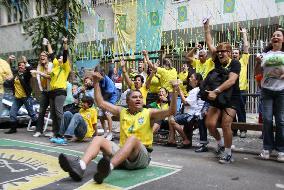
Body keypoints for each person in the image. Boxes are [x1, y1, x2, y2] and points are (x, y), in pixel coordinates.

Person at [58, 71, 178, 183]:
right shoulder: (122, 111)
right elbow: (100, 103)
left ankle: (108, 168)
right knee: (98, 139)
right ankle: (81, 166)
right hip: (123, 155)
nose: (138, 99)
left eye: (140, 97)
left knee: (132, 139)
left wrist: (175, 89)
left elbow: (172, 111)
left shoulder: (149, 112)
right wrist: (95, 83)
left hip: (141, 157)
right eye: (135, 97)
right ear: (127, 101)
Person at [204, 19, 241, 164]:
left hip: (232, 98)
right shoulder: (218, 60)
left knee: (226, 124)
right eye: (218, 52)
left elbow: (231, 81)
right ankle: (220, 144)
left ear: (230, 53)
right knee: (210, 123)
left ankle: (228, 153)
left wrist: (216, 91)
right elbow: (209, 43)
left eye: (223, 51)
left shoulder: (235, 63)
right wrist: (206, 27)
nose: (220, 53)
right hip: (218, 97)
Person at [258, 28, 284, 162]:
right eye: (273, 35)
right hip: (266, 90)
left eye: (278, 35)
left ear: (283, 39)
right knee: (267, 120)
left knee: (281, 121)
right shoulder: (265, 54)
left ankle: (281, 150)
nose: (275, 37)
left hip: (282, 91)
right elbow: (258, 71)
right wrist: (258, 61)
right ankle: (267, 148)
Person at [169, 73, 208, 151]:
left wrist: (179, 90)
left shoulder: (196, 90)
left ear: (196, 81)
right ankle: (174, 139)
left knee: (172, 119)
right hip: (190, 113)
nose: (189, 78)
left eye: (192, 77)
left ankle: (185, 139)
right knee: (171, 117)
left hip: (191, 114)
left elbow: (186, 102)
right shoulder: (194, 90)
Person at [4, 59, 38, 134]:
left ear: (25, 67)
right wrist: (9, 60)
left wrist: (26, 63)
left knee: (31, 113)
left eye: (23, 66)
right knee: (12, 112)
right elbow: (7, 68)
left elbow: (31, 70)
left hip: (26, 97)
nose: (21, 67)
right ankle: (13, 129)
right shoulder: (16, 74)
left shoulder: (26, 75)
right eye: (20, 65)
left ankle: (38, 128)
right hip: (17, 98)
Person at [47, 37, 71, 138]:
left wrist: (65, 43)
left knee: (59, 113)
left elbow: (65, 54)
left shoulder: (66, 67)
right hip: (52, 92)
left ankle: (62, 134)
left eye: (61, 58)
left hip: (60, 92)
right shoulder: (56, 66)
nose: (59, 58)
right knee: (53, 113)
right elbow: (52, 55)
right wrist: (48, 43)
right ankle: (56, 133)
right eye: (59, 58)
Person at [232, 27, 250, 138]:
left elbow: (246, 47)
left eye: (236, 53)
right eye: (233, 53)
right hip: (231, 90)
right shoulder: (229, 63)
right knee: (231, 110)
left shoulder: (243, 61)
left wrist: (244, 34)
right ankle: (233, 130)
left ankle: (243, 130)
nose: (234, 54)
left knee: (241, 110)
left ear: (239, 54)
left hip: (242, 89)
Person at [30, 50, 53, 137]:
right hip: (44, 91)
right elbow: (36, 77)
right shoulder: (39, 66)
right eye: (41, 56)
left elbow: (50, 77)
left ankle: (54, 131)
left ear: (47, 58)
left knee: (53, 111)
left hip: (52, 91)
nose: (42, 57)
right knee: (41, 111)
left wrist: (38, 72)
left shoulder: (51, 65)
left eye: (44, 56)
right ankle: (39, 130)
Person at [94, 65, 119, 141]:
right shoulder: (98, 80)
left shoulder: (108, 81)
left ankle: (110, 133)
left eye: (99, 74)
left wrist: (102, 102)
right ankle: (105, 132)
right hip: (103, 99)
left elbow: (110, 93)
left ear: (102, 73)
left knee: (108, 114)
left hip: (111, 99)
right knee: (101, 115)